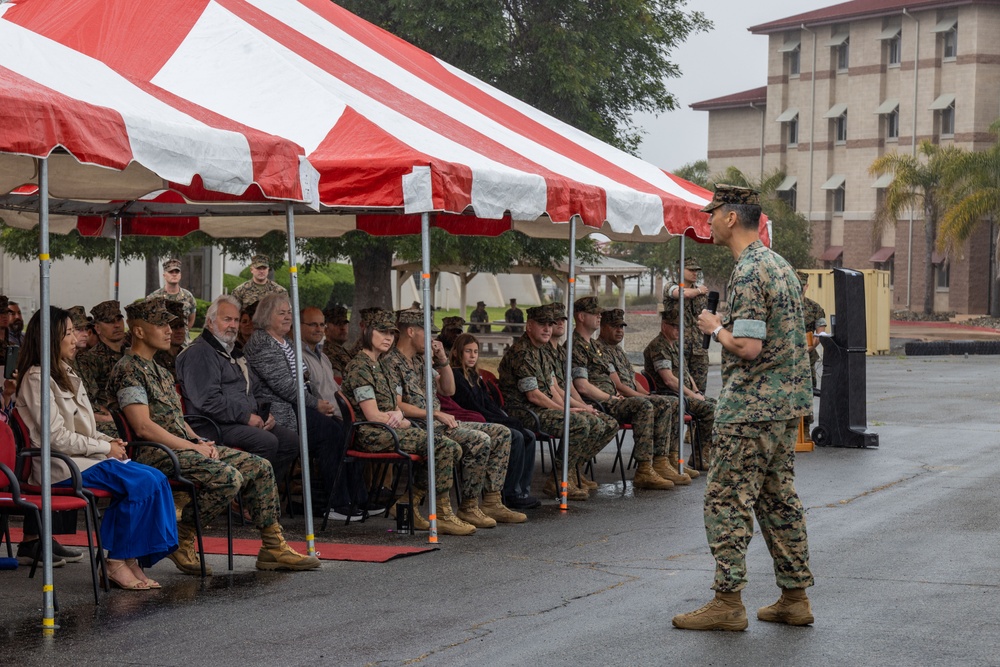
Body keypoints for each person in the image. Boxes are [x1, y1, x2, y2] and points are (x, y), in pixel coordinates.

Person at [672, 184, 814, 631]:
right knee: (777, 500)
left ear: (731, 217)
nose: (707, 221)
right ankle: (795, 597)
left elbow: (748, 346)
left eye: (712, 214)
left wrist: (715, 328)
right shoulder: (778, 264)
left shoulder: (750, 270)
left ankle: (727, 602)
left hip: (751, 407)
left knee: (726, 500)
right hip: (782, 405)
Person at [109, 299, 319, 574]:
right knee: (228, 478)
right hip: (155, 452)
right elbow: (143, 427)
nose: (169, 330)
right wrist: (192, 447)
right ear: (138, 331)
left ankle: (272, 546)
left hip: (182, 446)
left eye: (169, 324)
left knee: (260, 466)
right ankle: (182, 537)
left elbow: (177, 420)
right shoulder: (129, 370)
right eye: (160, 324)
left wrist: (199, 442)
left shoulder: (159, 370)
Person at [16, 306, 177, 590]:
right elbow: (55, 437)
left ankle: (130, 559)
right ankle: (116, 561)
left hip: (81, 458)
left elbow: (82, 429)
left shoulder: (63, 372)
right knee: (140, 482)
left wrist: (108, 442)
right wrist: (103, 447)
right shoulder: (37, 378)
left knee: (156, 478)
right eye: (68, 333)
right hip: (61, 465)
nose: (77, 338)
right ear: (51, 338)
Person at [382, 309, 523, 528]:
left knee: (501, 432)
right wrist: (434, 413)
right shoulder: (391, 362)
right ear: (411, 331)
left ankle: (491, 500)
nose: (432, 340)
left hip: (436, 421)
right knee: (479, 439)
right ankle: (462, 507)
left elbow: (448, 390)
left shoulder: (420, 361)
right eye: (428, 334)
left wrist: (442, 360)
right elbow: (397, 404)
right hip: (419, 424)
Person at [339, 309, 467, 534]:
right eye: (382, 331)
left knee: (449, 447)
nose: (388, 337)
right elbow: (373, 416)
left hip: (390, 428)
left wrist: (399, 416)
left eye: (391, 332)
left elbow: (395, 407)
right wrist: (399, 419)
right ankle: (441, 512)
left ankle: (410, 503)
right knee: (445, 446)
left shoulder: (380, 365)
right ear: (368, 332)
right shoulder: (360, 367)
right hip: (372, 434)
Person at [242, 294, 361, 521]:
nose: (288, 317)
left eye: (289, 312)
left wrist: (317, 403)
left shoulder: (285, 342)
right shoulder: (261, 343)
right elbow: (284, 386)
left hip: (296, 405)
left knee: (343, 428)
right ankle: (335, 502)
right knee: (330, 433)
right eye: (281, 313)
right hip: (278, 410)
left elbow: (303, 380)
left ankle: (355, 499)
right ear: (267, 317)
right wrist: (315, 403)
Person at [175, 295, 300, 491]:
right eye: (227, 319)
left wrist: (265, 414)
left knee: (291, 441)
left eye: (235, 320)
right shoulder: (200, 353)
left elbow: (255, 389)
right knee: (267, 442)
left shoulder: (233, 351)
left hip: (238, 421)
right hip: (211, 425)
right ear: (210, 321)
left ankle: (259, 494)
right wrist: (246, 416)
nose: (233, 325)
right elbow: (208, 401)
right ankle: (241, 497)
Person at [497, 305, 617, 501]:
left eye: (550, 325)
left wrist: (580, 407)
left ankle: (571, 471)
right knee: (579, 424)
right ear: (529, 326)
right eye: (542, 324)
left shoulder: (542, 351)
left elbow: (554, 389)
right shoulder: (522, 352)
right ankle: (557, 479)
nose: (547, 329)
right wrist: (567, 411)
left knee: (605, 422)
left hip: (542, 408)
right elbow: (534, 396)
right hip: (524, 412)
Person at [569, 297, 677, 490]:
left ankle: (660, 461)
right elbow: (582, 386)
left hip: (612, 398)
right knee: (644, 405)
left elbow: (614, 378)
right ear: (581, 316)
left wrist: (639, 394)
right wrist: (610, 397)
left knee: (661, 402)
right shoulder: (575, 346)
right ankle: (644, 469)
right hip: (598, 401)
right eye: (595, 314)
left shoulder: (595, 347)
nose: (599, 317)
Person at [595, 307, 692, 484]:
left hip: (630, 396)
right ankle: (645, 468)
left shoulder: (618, 351)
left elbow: (633, 380)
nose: (620, 331)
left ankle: (666, 459)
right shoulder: (599, 350)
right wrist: (646, 398)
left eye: (622, 327)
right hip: (614, 400)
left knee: (673, 402)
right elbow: (619, 386)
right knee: (648, 405)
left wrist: (647, 394)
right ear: (602, 327)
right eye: (615, 326)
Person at [449, 333, 540, 510]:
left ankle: (522, 490)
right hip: (471, 419)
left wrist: (506, 418)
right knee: (516, 436)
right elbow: (473, 407)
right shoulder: (456, 376)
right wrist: (502, 422)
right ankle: (509, 492)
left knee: (528, 434)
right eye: (468, 351)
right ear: (456, 353)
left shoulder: (475, 377)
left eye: (475, 351)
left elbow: (489, 404)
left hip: (486, 417)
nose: (473, 355)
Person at [298, 306, 370, 516]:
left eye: (321, 324)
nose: (319, 329)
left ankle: (359, 499)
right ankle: (337, 503)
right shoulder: (297, 357)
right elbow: (304, 392)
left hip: (337, 414)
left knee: (356, 431)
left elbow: (335, 390)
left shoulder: (323, 357)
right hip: (318, 415)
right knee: (336, 433)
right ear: (298, 326)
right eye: (313, 324)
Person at [642, 302, 716, 474]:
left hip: (685, 394)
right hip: (670, 395)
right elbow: (668, 380)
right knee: (709, 409)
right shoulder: (658, 347)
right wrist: (693, 395)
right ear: (664, 325)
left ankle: (701, 456)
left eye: (680, 326)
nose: (678, 330)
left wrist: (697, 391)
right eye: (674, 326)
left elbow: (687, 374)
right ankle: (692, 458)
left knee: (717, 405)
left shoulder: (675, 346)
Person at [76, 300, 126, 437]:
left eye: (118, 320)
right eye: (109, 322)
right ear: (97, 329)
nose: (116, 325)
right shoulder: (90, 359)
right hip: (109, 417)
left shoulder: (130, 352)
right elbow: (89, 399)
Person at [664, 256, 711, 394]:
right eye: (691, 270)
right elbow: (681, 293)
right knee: (680, 389)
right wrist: (699, 291)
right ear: (680, 270)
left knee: (700, 390)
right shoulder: (670, 286)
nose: (695, 273)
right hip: (678, 347)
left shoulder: (701, 294)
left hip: (698, 348)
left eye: (696, 270)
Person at [797, 271, 827, 394]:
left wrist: (809, 348)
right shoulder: (783, 305)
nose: (799, 288)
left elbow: (820, 334)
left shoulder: (814, 308)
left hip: (807, 358)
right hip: (786, 357)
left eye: (802, 285)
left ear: (807, 286)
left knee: (807, 394)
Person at [147, 258, 197, 330]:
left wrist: (183, 333)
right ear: (164, 275)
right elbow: (149, 321)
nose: (174, 274)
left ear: (180, 275)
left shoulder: (188, 296)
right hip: (162, 339)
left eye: (177, 272)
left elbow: (191, 319)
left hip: (183, 340)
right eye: (171, 272)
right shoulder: (154, 297)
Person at [152, 300, 188, 379]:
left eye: (181, 326)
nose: (179, 331)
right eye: (174, 327)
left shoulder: (187, 356)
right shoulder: (156, 359)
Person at [322, 305, 353, 377]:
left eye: (345, 323)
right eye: (337, 324)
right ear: (326, 329)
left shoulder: (340, 350)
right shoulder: (329, 355)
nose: (343, 328)